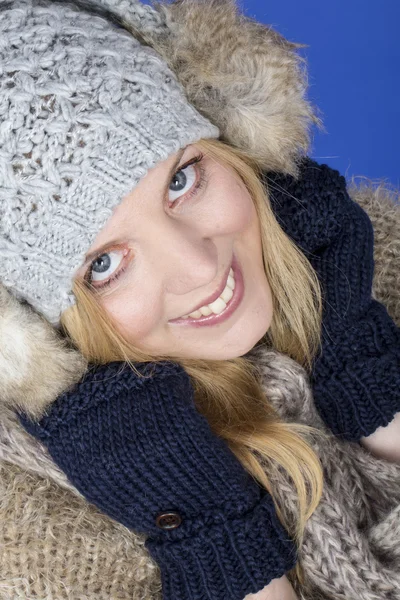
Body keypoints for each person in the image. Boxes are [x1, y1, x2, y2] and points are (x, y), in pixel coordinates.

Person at [0, 0, 399, 598]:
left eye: (181, 180)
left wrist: (364, 373)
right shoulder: (32, 535)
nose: (198, 265)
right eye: (103, 264)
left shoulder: (371, 246)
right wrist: (210, 535)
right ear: (32, 332)